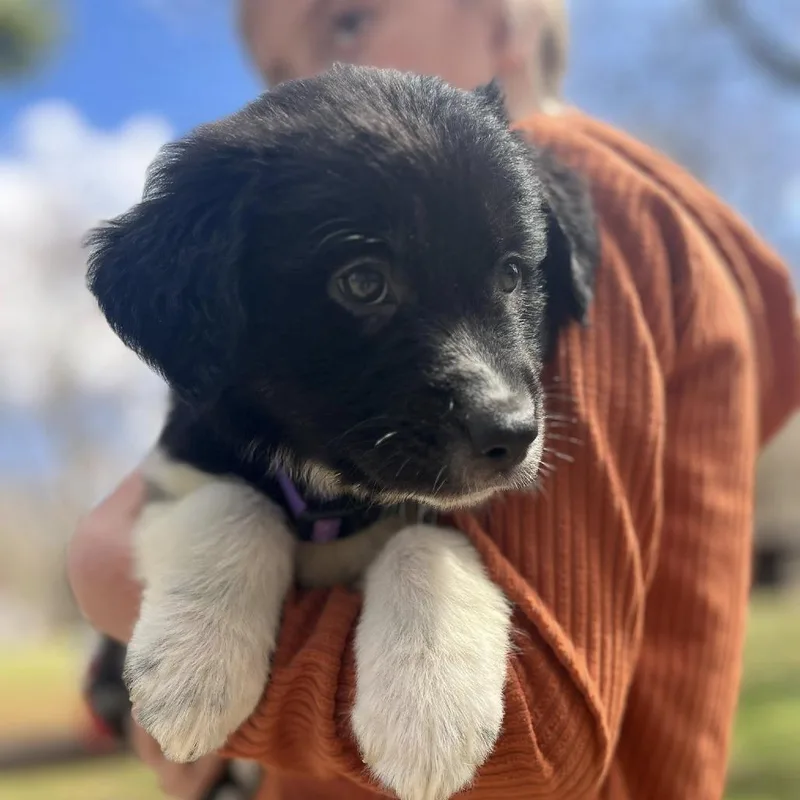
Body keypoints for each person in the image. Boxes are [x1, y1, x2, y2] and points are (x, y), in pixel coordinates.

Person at [68, 1, 800, 799]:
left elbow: (532, 737)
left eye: (346, 23)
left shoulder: (567, 184)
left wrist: (114, 575)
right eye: (276, 74)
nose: (321, 82)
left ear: (505, 19)